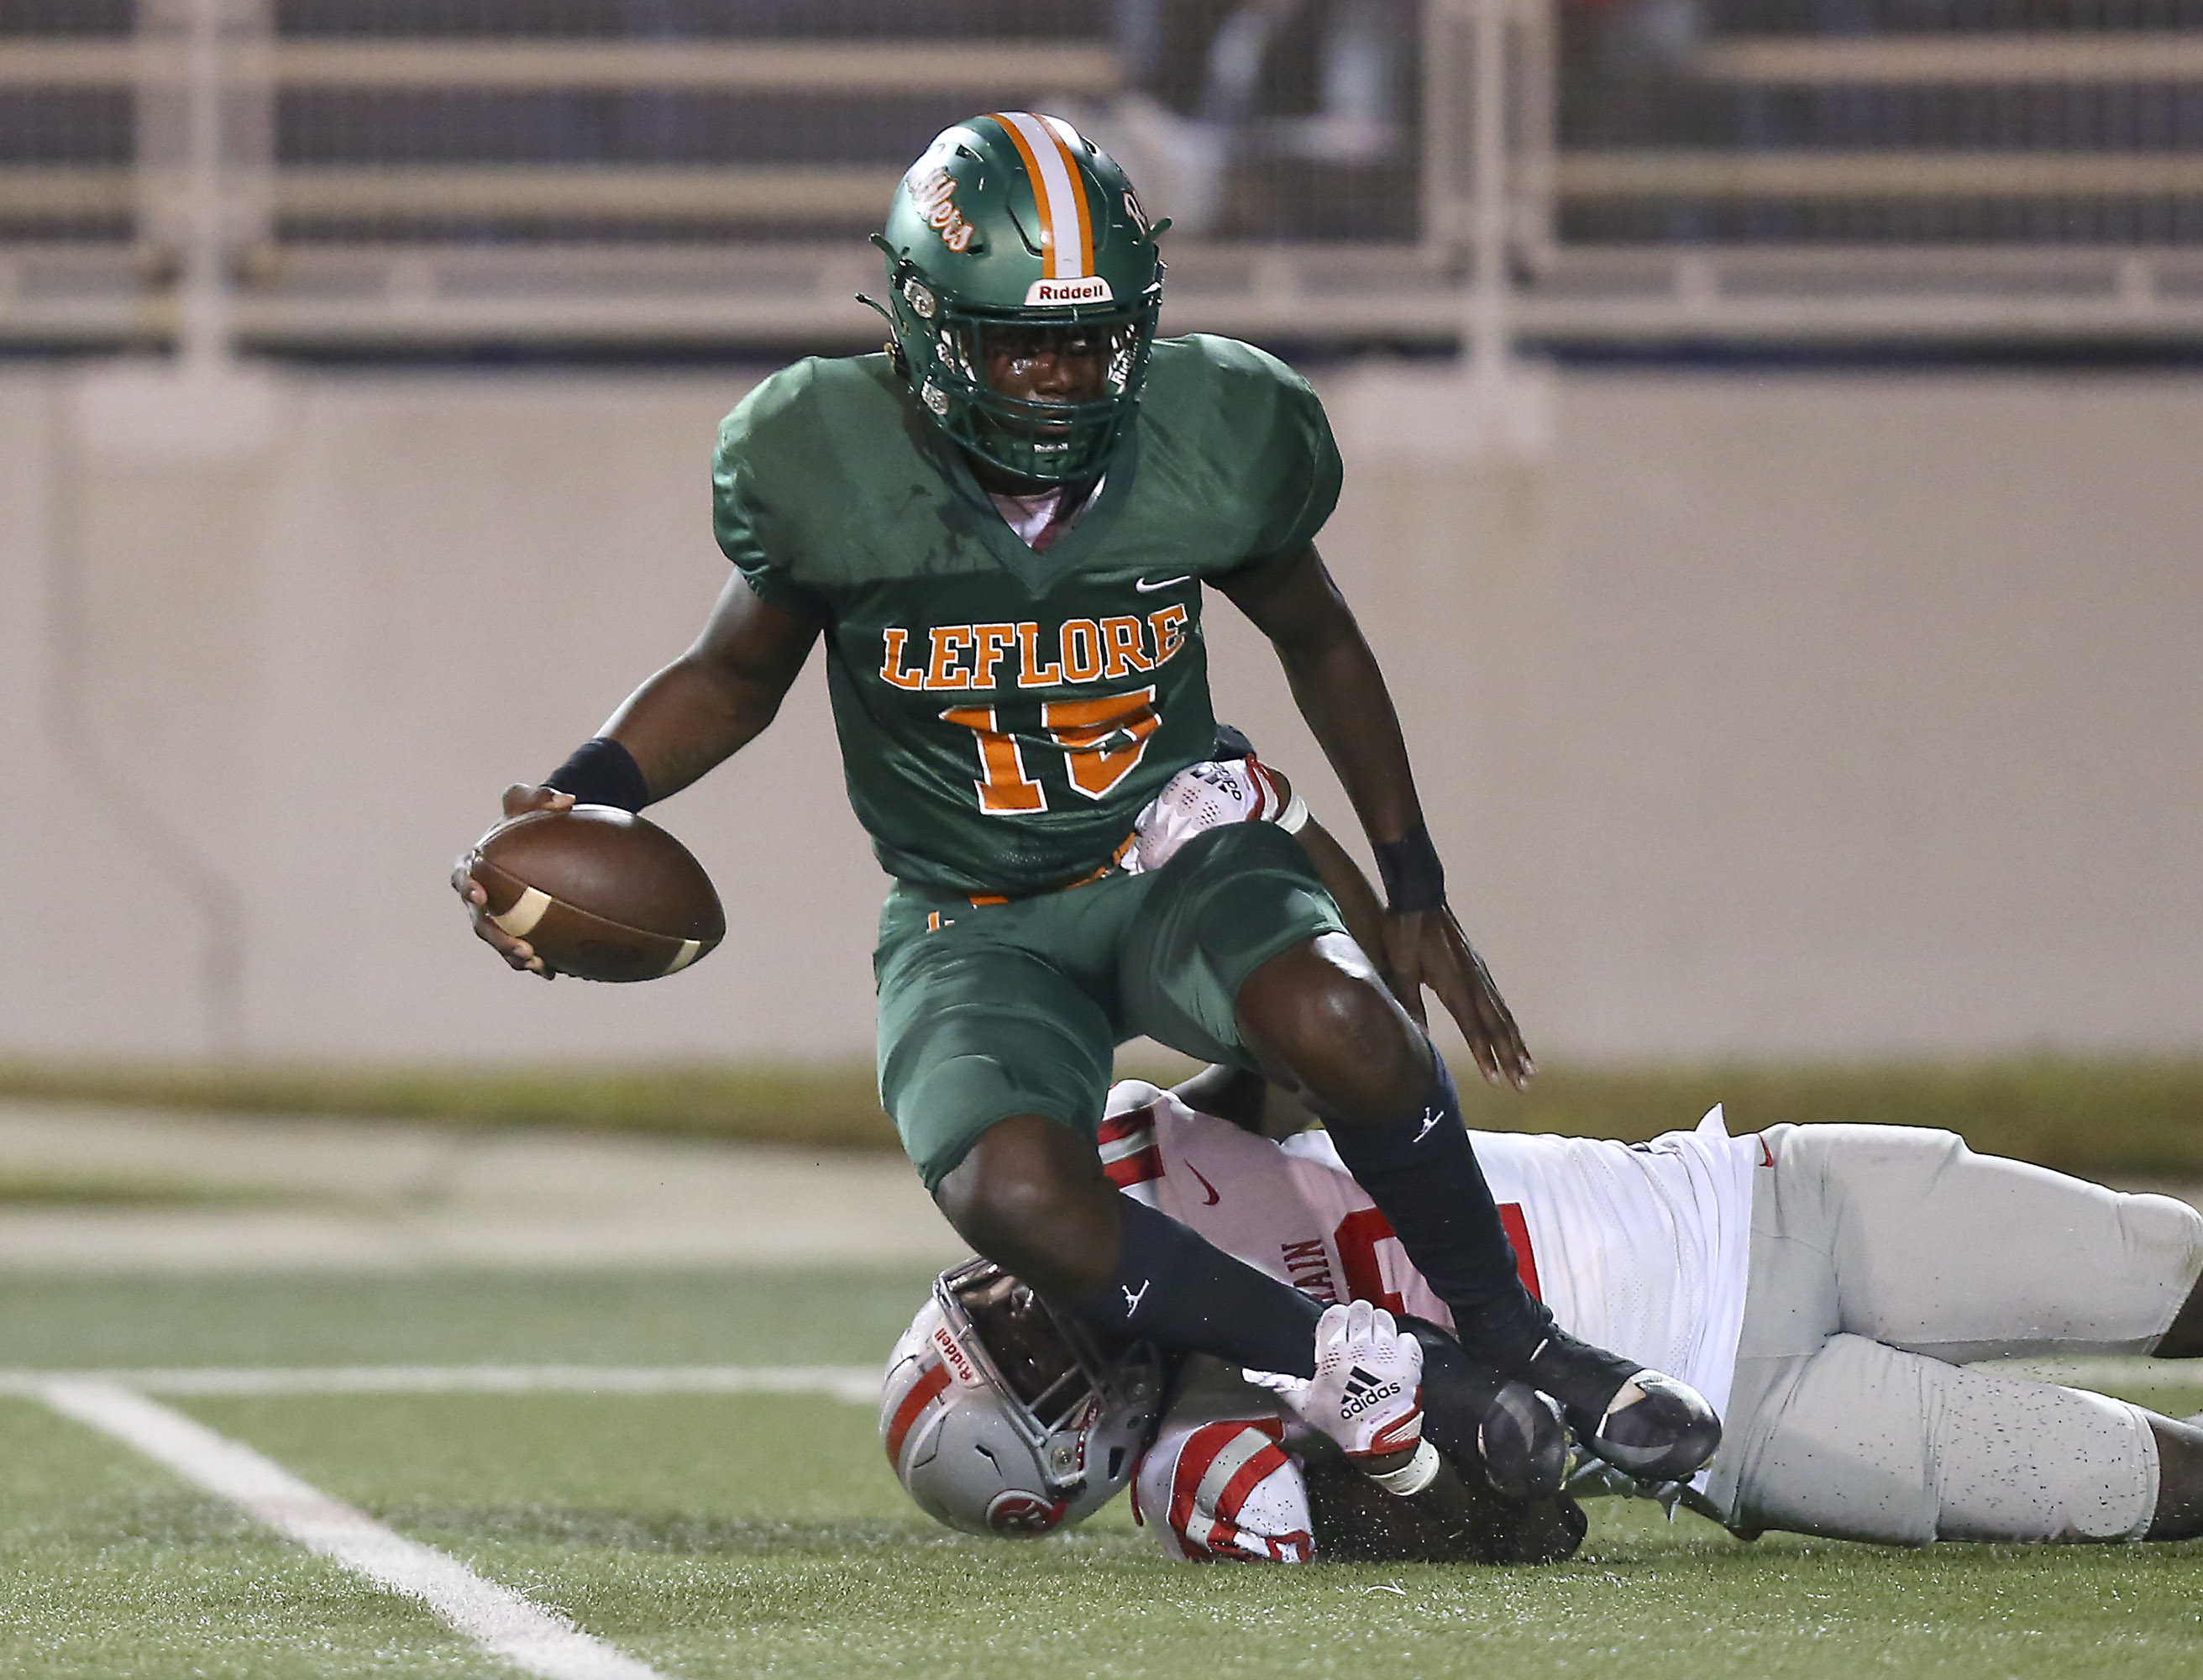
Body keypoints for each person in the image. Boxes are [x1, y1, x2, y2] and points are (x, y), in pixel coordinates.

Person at [452, 110, 1709, 1488]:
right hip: (972, 916)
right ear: (932, 329)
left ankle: (1516, 1338)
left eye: (1092, 336)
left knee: (1342, 1019)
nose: (1058, 375)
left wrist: (1413, 885)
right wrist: (586, 796)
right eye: (1021, 341)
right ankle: (1362, 1363)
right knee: (1008, 1189)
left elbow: (1322, 636)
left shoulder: (1212, 427)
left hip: (1172, 854)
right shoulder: (829, 454)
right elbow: (730, 674)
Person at [879, 763, 2203, 1563]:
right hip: (1744, 1430)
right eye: (1031, 1356)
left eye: (1005, 1303)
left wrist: (1255, 827)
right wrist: (1395, 1462)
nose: (1052, 1306)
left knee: (2187, 1269)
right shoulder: (1205, 1472)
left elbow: (1320, 1001)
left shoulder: (1140, 1155)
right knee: (2171, 1488)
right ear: (1069, 1460)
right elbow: (1535, 1544)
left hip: (1754, 1200)